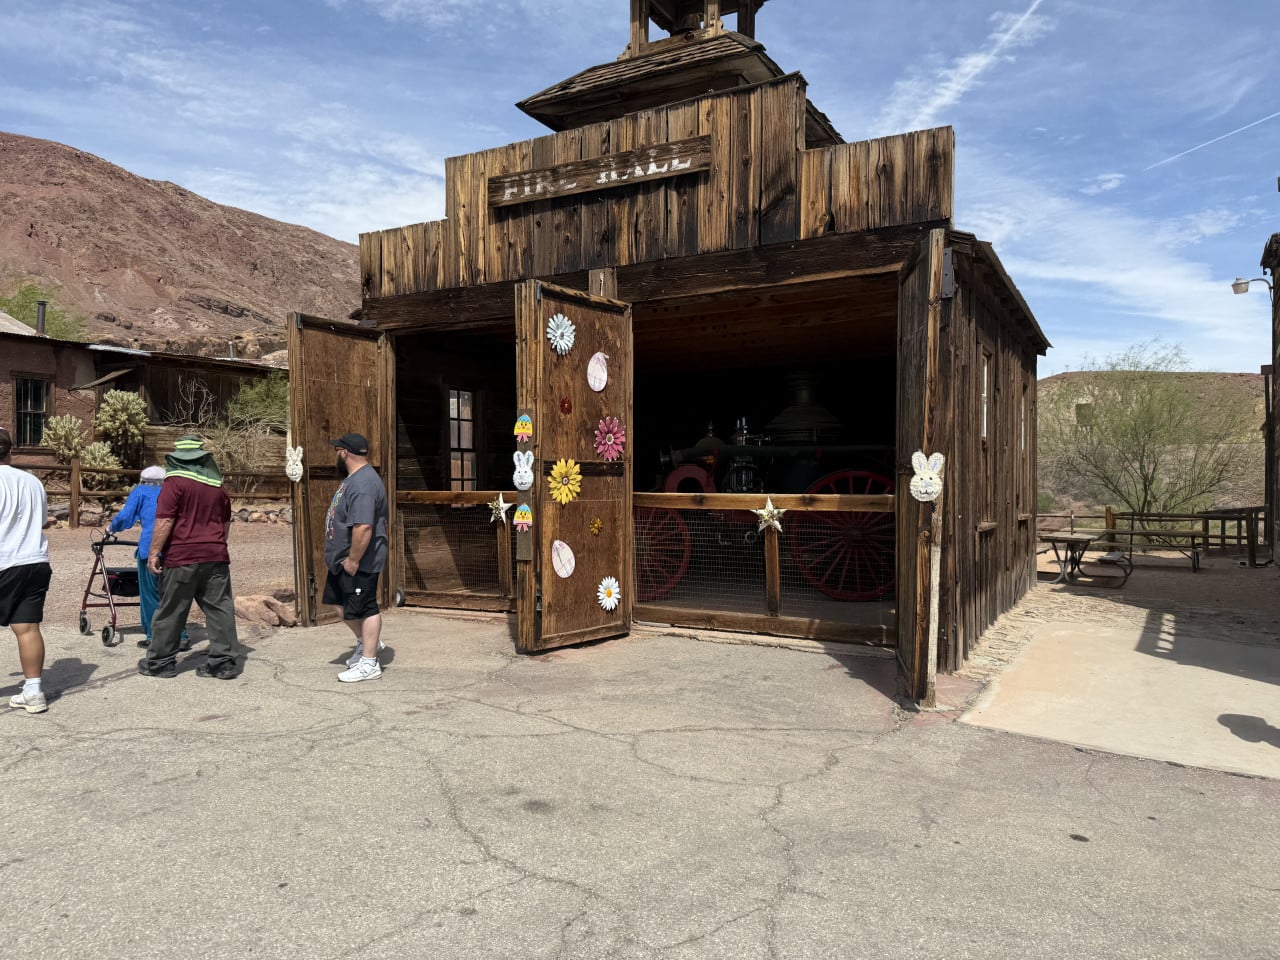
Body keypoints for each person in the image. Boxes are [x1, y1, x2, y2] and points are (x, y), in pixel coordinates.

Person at [139, 434, 239, 680]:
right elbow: (225, 521)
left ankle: (161, 662)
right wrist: (217, 544)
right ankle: (223, 662)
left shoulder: (174, 483)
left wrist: (154, 553)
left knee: (172, 608)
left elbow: (165, 520)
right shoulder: (217, 486)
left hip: (182, 555)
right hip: (215, 555)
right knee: (219, 608)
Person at [323, 432, 388, 683]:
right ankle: (366, 643)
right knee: (336, 601)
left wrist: (353, 559)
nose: (335, 457)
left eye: (335, 452)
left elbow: (363, 527)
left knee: (366, 607)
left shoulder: (364, 485)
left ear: (343, 452)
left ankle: (370, 663)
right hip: (343, 559)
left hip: (359, 560)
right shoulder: (354, 479)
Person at [108, 465, 188, 650]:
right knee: (173, 594)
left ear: (143, 479)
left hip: (150, 548)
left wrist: (111, 529)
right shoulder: (175, 492)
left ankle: (155, 636)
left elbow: (126, 517)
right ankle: (181, 635)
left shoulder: (141, 491)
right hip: (176, 549)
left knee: (151, 593)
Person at [0, 426, 51, 714]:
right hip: (35, 561)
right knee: (27, 627)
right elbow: (43, 520)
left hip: (3, 561)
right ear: (10, 450)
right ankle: (33, 691)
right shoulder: (31, 481)